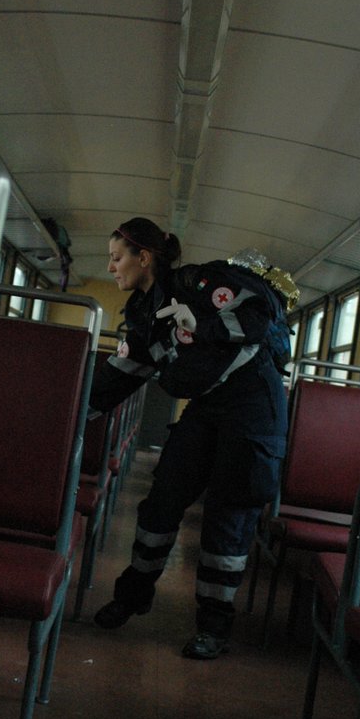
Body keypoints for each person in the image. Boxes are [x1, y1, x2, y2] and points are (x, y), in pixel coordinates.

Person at [89, 217, 299, 659]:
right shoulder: (145, 317)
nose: (111, 268)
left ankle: (214, 627)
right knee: (162, 500)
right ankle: (133, 595)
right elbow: (119, 378)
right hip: (206, 408)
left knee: (228, 518)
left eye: (115, 258)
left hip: (253, 409)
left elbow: (256, 318)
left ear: (143, 258)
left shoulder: (200, 283)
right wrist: (70, 410)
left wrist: (200, 324)